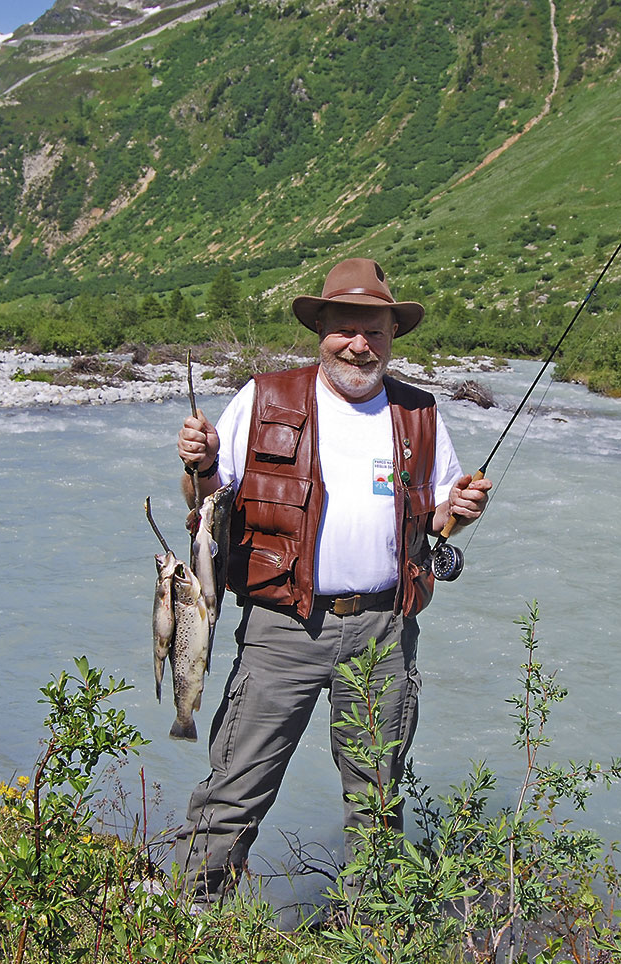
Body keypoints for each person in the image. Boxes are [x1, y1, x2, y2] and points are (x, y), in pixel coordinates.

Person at [173, 257, 492, 902]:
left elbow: (438, 515)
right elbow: (204, 499)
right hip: (281, 626)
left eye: (374, 330)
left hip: (384, 629)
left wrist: (458, 511)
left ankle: (373, 927)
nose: (359, 344)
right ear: (321, 330)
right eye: (346, 328)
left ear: (392, 335)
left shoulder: (420, 414)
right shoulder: (264, 398)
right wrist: (197, 463)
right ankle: (192, 911)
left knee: (377, 796)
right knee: (237, 781)